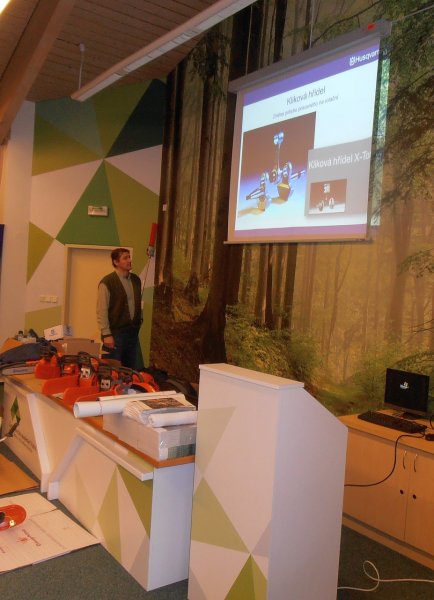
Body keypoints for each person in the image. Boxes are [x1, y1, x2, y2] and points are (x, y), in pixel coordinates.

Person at [97, 248, 142, 370]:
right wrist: (107, 334)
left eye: (129, 257)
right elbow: (102, 310)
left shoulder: (136, 280)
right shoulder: (107, 282)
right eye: (125, 258)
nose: (129, 260)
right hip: (115, 334)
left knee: (129, 370)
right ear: (116, 262)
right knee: (111, 370)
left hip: (132, 333)